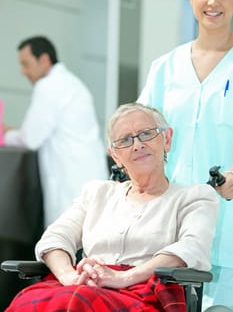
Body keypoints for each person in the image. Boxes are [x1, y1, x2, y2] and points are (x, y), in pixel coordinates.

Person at [5, 102, 219, 312]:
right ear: (115, 154)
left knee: (77, 301)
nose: (137, 145)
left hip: (146, 291)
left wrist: (122, 278)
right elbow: (54, 238)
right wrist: (68, 276)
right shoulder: (97, 193)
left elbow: (192, 248)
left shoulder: (195, 197)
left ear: (167, 139)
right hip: (84, 286)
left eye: (146, 133)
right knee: (31, 300)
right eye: (125, 140)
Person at [138, 0, 233, 309]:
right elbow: (140, 135)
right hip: (169, 231)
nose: (214, 2)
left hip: (229, 234)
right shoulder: (165, 68)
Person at [3, 36, 108, 227]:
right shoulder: (72, 83)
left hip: (71, 185)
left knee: (65, 244)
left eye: (26, 64)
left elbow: (30, 139)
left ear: (43, 60)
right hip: (88, 178)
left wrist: (4, 133)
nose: (23, 72)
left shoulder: (49, 86)